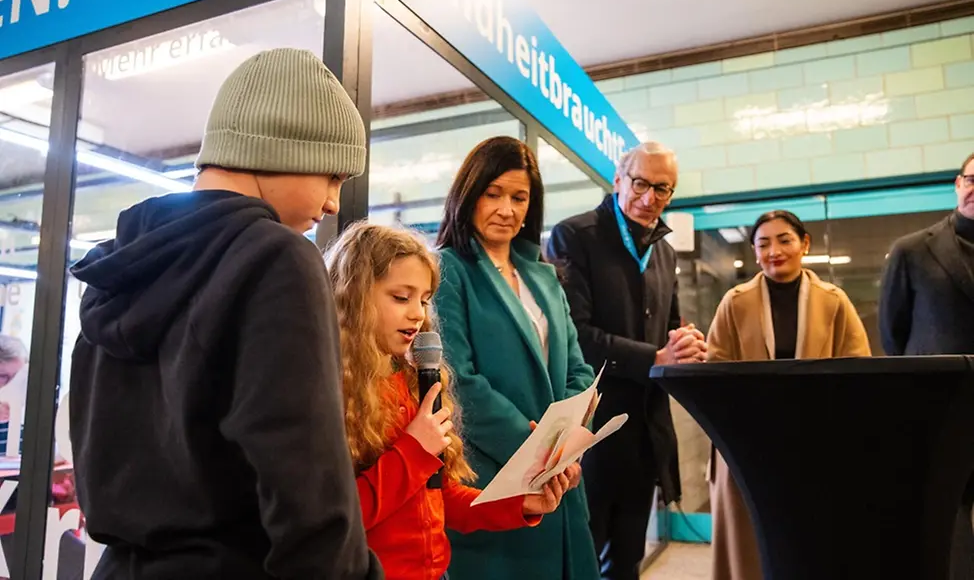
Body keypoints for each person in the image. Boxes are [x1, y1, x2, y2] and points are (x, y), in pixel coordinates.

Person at [69, 49, 380, 579]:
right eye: (333, 175)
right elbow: (306, 484)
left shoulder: (120, 266)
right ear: (282, 147)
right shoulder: (276, 257)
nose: (332, 203)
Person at [325, 222, 578, 580]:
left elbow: (440, 500)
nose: (417, 313)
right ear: (354, 295)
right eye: (401, 297)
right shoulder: (332, 396)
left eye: (425, 299)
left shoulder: (413, 385)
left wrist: (520, 502)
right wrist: (414, 450)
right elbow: (339, 518)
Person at [433, 136, 599, 580]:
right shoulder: (447, 269)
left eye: (519, 197)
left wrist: (561, 439)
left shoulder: (543, 274)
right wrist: (533, 449)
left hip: (557, 472)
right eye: (494, 194)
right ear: (469, 194)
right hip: (494, 472)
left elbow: (579, 368)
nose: (507, 209)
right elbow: (459, 379)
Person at [546, 141, 707, 580]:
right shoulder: (573, 236)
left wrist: (685, 343)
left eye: (663, 189)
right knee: (583, 553)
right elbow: (573, 334)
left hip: (645, 426)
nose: (649, 197)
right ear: (618, 178)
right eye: (640, 183)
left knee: (629, 557)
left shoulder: (665, 251)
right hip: (592, 425)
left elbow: (670, 325)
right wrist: (654, 355)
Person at [706, 209, 871, 580]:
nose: (774, 251)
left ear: (804, 244)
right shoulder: (734, 302)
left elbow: (858, 370)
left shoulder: (834, 301)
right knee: (748, 545)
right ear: (754, 252)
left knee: (810, 539)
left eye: (785, 240)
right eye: (763, 244)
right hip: (745, 442)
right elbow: (712, 376)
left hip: (815, 439)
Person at [879, 152, 974, 580]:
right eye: (972, 179)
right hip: (939, 409)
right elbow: (892, 336)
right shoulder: (912, 250)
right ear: (957, 184)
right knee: (945, 525)